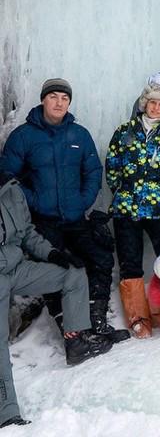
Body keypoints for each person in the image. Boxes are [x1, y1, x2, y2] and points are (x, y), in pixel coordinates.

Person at [0, 78, 127, 343]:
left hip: (75, 218)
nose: (59, 103)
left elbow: (93, 170)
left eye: (64, 98)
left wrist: (83, 200)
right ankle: (72, 332)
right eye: (54, 97)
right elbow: (8, 178)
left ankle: (97, 321)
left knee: (101, 259)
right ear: (43, 100)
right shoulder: (23, 136)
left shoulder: (79, 135)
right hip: (42, 222)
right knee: (58, 266)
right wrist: (33, 200)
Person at [0, 172, 112, 429]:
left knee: (72, 275)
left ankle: (75, 342)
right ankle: (7, 415)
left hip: (16, 269)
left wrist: (52, 254)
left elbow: (27, 233)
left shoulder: (12, 188)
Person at [106, 70, 160, 339]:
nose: (156, 107)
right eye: (153, 102)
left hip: (159, 211)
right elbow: (112, 167)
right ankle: (139, 318)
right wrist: (122, 191)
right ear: (145, 102)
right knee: (130, 262)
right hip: (127, 209)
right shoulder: (124, 132)